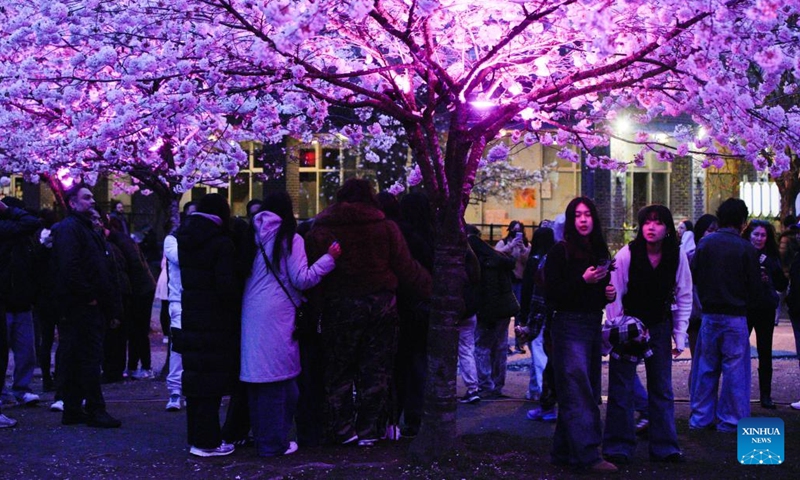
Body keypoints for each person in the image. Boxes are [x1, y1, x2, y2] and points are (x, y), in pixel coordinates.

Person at [305, 178, 432, 447]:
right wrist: (433, 289)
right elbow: (406, 268)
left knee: (338, 369)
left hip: (338, 306)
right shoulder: (385, 228)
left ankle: (341, 428)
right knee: (376, 369)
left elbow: (315, 275)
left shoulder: (321, 229)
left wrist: (313, 311)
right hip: (380, 305)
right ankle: (369, 429)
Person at [240, 191, 339, 457]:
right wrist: (329, 259)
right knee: (277, 380)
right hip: (278, 314)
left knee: (262, 381)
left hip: (251, 312)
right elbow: (302, 279)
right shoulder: (289, 239)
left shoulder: (252, 236)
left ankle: (266, 439)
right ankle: (273, 444)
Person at [603, 205, 692, 464]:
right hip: (628, 324)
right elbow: (614, 291)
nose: (651, 227)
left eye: (658, 222)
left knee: (662, 387)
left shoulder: (677, 256)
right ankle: (618, 445)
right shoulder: (626, 254)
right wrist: (620, 325)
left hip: (659, 325)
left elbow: (684, 295)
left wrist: (680, 334)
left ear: (667, 228)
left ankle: (665, 446)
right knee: (620, 386)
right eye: (647, 222)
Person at [545, 196, 617, 473]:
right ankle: (588, 455)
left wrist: (606, 293)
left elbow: (598, 293)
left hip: (590, 324)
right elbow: (554, 293)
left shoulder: (598, 250)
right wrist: (582, 281)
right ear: (571, 220)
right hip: (568, 325)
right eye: (578, 215)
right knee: (579, 390)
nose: (583, 220)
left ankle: (563, 451)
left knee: (582, 389)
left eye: (587, 214)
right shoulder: (559, 251)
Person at [172, 193, 241, 457]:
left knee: (196, 381)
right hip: (215, 320)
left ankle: (197, 438)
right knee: (211, 383)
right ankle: (208, 442)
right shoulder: (221, 242)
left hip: (192, 314)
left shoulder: (186, 239)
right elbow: (226, 287)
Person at [52, 185, 122, 428]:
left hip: (85, 303)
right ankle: (94, 408)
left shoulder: (83, 228)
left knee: (79, 357)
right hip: (80, 305)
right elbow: (70, 266)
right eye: (86, 197)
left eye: (92, 197)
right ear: (72, 203)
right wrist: (89, 296)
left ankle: (73, 408)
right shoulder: (71, 229)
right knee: (88, 357)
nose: (92, 201)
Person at [689, 198, 761, 433]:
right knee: (735, 372)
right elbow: (754, 287)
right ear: (742, 221)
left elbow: (695, 277)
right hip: (735, 316)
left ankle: (701, 418)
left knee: (706, 368)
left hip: (709, 315)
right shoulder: (746, 248)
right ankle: (730, 421)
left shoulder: (706, 245)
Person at [0, 197, 42, 407]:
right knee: (17, 350)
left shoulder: (24, 238)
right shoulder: (8, 230)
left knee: (26, 351)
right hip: (7, 300)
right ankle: (14, 390)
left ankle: (20, 389)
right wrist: (9, 211)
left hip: (22, 300)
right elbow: (31, 222)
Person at [468, 228, 519, 399]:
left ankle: (486, 384)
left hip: (491, 311)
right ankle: (497, 384)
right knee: (500, 347)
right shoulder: (497, 259)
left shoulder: (484, 264)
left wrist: (486, 315)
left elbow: (489, 293)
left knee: (482, 347)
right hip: (505, 309)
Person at [743, 220, 787, 409]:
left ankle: (765, 395)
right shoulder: (742, 252)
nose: (759, 238)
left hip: (765, 308)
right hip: (744, 307)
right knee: (739, 352)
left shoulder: (771, 257)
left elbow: (781, 284)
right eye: (756, 234)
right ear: (749, 235)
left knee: (765, 352)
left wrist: (769, 274)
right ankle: (740, 394)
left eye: (763, 235)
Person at [162, 201, 197, 412]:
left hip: (196, 300)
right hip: (179, 301)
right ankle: (175, 391)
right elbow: (177, 258)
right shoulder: (172, 240)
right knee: (179, 348)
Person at [518, 226, 555, 403]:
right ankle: (535, 389)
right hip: (549, 311)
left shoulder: (534, 261)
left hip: (536, 311)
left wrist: (523, 315)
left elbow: (526, 291)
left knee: (538, 352)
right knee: (540, 352)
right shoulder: (552, 260)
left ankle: (540, 392)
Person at [495, 220, 531, 354]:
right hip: (506, 282)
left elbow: (529, 261)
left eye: (519, 230)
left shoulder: (526, 245)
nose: (516, 233)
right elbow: (497, 255)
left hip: (520, 282)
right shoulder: (503, 243)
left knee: (519, 314)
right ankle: (504, 344)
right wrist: (510, 247)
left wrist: (522, 249)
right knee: (505, 313)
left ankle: (519, 343)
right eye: (514, 230)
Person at [686, 214, 718, 359]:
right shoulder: (691, 255)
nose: (713, 235)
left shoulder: (719, 254)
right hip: (696, 313)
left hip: (714, 310)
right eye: (710, 230)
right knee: (698, 358)